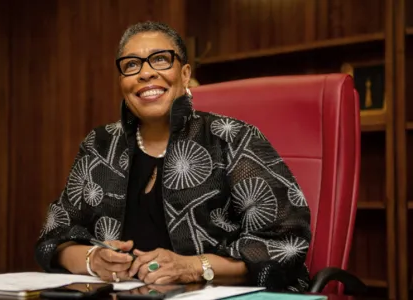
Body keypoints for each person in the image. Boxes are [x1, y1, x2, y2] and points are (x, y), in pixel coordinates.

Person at [35, 21, 311, 292]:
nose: (145, 73)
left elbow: (286, 243)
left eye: (160, 60)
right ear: (122, 81)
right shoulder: (100, 145)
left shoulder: (232, 137)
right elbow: (53, 239)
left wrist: (193, 267)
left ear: (184, 73)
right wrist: (92, 261)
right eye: (132, 65)